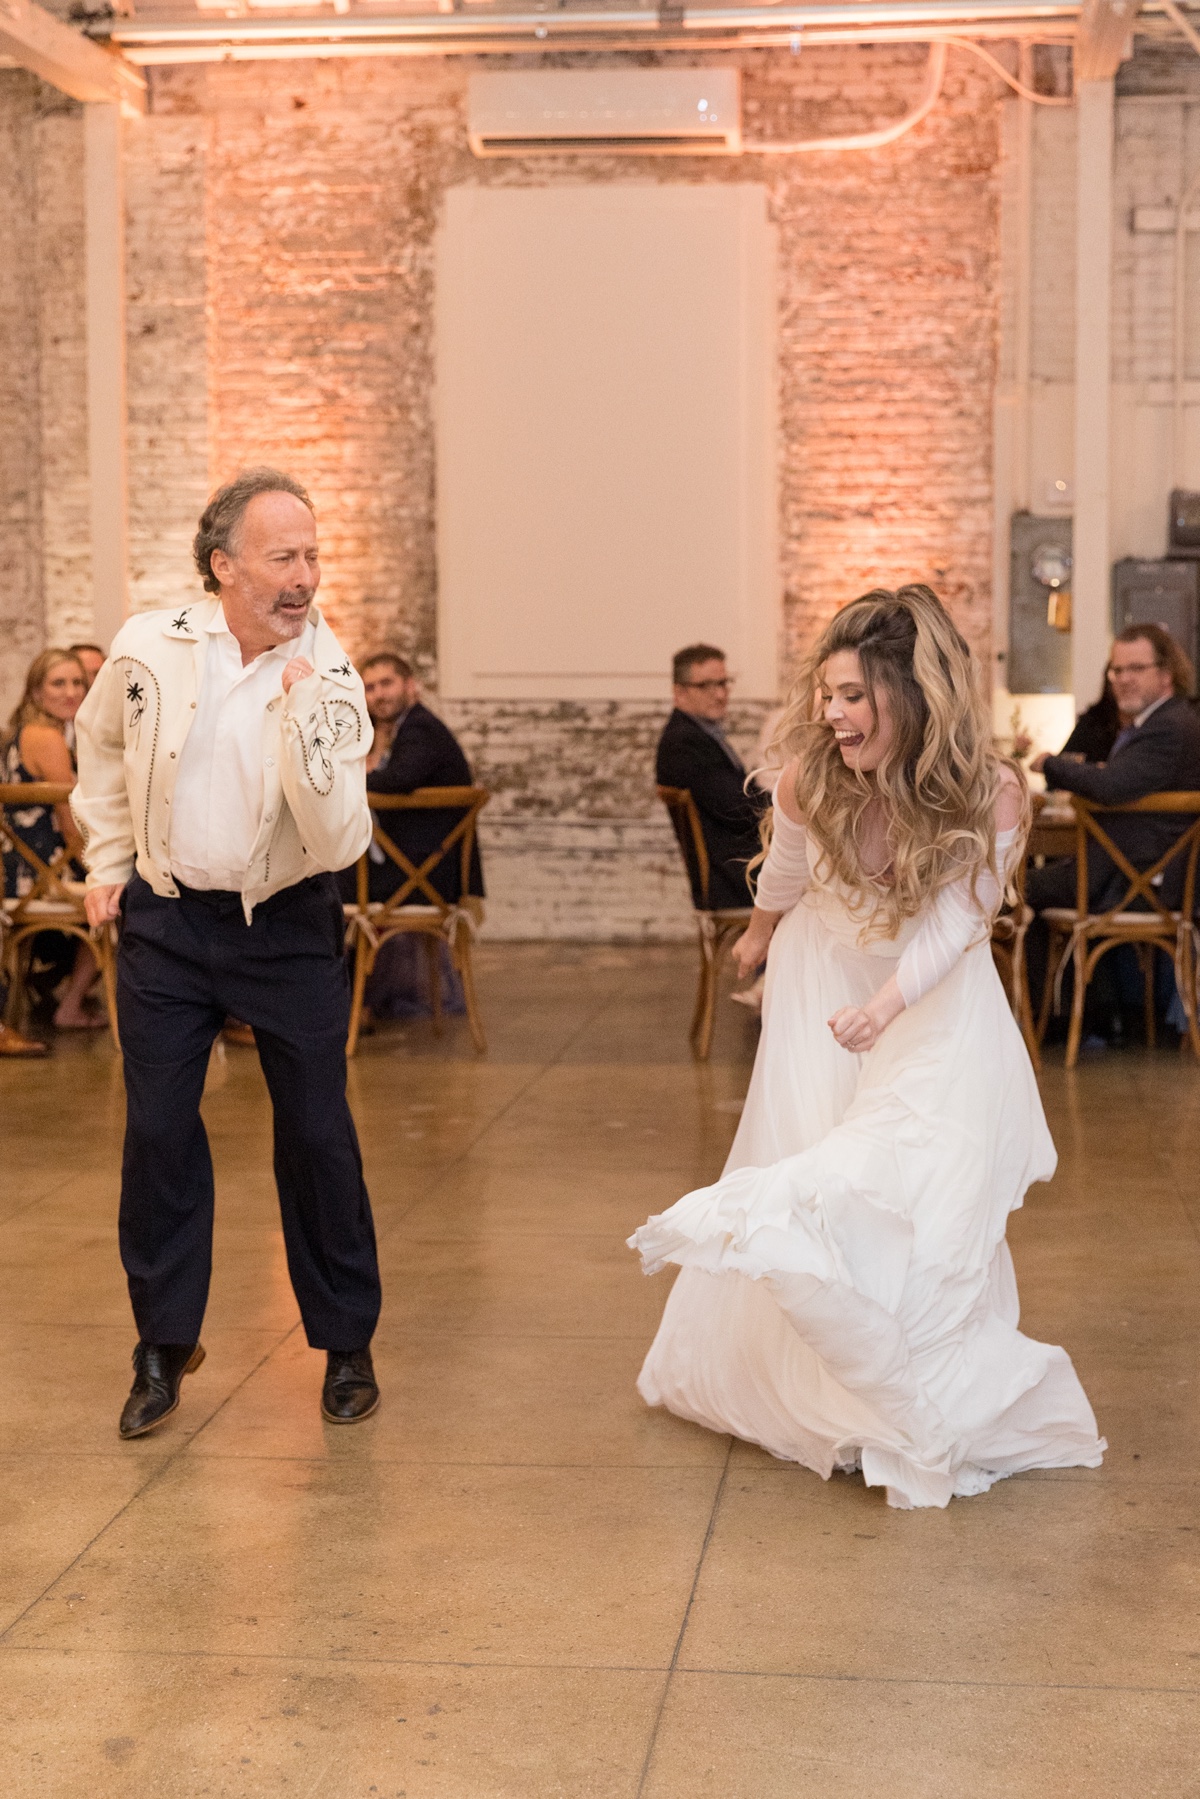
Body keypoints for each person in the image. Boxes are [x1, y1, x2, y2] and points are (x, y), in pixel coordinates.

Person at [629, 585, 1104, 1510]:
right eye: (827, 693)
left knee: (926, 1181)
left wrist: (887, 1007)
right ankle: (836, 1387)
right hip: (826, 977)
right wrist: (764, 933)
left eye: (851, 696)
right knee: (828, 1159)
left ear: (909, 694)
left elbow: (960, 924)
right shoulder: (814, 772)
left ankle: (922, 1372)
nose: (831, 714)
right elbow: (793, 869)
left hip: (931, 998)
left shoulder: (993, 791)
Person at [72, 467, 383, 1438]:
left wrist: (301, 720)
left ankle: (345, 1341)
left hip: (286, 926)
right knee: (158, 1129)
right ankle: (161, 1345)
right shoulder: (146, 648)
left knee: (316, 1132)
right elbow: (103, 751)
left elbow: (340, 843)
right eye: (284, 556)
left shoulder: (329, 673)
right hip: (166, 924)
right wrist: (108, 859)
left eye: (313, 555)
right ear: (223, 566)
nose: (305, 576)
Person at [1028, 624, 1200, 914]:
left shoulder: (1168, 727)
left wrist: (1048, 763)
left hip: (1137, 882)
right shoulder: (1163, 721)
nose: (1123, 679)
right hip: (1125, 873)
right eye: (1117, 671)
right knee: (1014, 884)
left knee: (1008, 885)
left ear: (1166, 674)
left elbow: (1111, 786)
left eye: (1135, 668)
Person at [2, 647, 104, 1032]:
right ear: (35, 692)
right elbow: (70, 824)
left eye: (78, 682)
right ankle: (71, 1004)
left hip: (18, 871)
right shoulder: (48, 738)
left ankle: (50, 983)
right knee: (123, 893)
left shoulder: (22, 734)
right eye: (58, 683)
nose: (71, 691)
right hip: (40, 879)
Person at [656, 644, 765, 910]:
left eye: (723, 683)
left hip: (738, 868)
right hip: (733, 878)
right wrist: (790, 804)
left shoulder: (699, 734)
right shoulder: (684, 744)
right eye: (706, 686)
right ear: (679, 692)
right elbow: (739, 810)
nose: (720, 694)